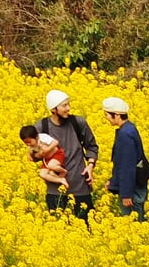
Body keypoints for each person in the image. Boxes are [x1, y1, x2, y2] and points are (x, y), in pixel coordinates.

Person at [34, 89, 100, 222]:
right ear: (53, 109)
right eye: (64, 106)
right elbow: (33, 155)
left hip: (80, 187)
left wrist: (91, 166)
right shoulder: (42, 127)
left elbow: (92, 146)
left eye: (68, 104)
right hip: (55, 191)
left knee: (87, 229)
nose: (68, 108)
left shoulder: (78, 123)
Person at [102, 96, 149, 222]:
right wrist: (113, 181)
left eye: (107, 114)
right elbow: (123, 162)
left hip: (132, 189)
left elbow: (127, 167)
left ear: (117, 115)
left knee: (133, 223)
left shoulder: (125, 134)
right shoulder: (129, 128)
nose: (105, 117)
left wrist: (126, 194)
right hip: (133, 185)